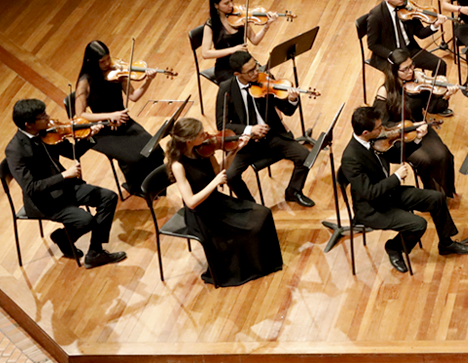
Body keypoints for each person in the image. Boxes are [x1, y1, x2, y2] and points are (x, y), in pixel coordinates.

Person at [343, 107, 468, 273]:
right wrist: (396, 178)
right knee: (418, 224)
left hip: (389, 193)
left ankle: (446, 243)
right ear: (365, 132)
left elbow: (397, 155)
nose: (382, 129)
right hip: (372, 207)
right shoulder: (351, 158)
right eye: (378, 128)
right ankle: (393, 247)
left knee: (436, 198)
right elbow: (369, 192)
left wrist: (417, 139)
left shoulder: (375, 140)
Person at [5, 99, 125, 268]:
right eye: (43, 116)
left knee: (108, 197)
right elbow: (31, 188)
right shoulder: (15, 151)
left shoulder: (47, 133)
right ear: (29, 124)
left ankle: (95, 252)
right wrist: (64, 175)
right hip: (44, 200)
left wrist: (90, 136)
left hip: (65, 187)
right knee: (86, 220)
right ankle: (63, 237)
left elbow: (71, 152)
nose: (49, 117)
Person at [162, 118, 282, 286]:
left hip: (217, 201)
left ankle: (265, 262)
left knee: (263, 213)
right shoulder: (178, 165)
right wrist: (214, 183)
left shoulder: (204, 150)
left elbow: (219, 171)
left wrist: (235, 150)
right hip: (202, 214)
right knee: (252, 227)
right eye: (201, 133)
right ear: (189, 140)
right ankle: (250, 267)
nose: (206, 135)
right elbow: (191, 202)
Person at [214, 50, 314, 207]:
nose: (256, 72)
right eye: (250, 71)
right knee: (231, 175)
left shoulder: (266, 79)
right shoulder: (226, 89)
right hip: (245, 143)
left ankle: (293, 191)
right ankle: (251, 206)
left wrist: (292, 99)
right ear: (237, 74)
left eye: (256, 67)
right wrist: (249, 129)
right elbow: (222, 125)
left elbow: (287, 110)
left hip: (272, 136)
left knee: (305, 156)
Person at [72, 40, 166, 196]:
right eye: (102, 61)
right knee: (134, 159)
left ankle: (158, 186)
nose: (108, 63)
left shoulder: (118, 71)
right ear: (92, 62)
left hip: (123, 122)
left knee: (154, 149)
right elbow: (80, 114)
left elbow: (133, 96)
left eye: (108, 58)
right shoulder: (85, 82)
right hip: (102, 130)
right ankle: (138, 188)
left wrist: (148, 80)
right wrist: (111, 115)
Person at [374, 49, 458, 197]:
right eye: (405, 69)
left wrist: (445, 96)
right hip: (398, 138)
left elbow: (432, 108)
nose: (411, 71)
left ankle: (446, 192)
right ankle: (433, 196)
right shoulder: (385, 92)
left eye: (412, 66)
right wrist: (405, 128)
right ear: (394, 71)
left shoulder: (418, 83)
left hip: (420, 126)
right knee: (424, 160)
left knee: (444, 155)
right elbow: (383, 125)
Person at [366, 0, 448, 76]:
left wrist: (435, 25)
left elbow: (420, 33)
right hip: (389, 56)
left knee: (440, 64)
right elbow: (372, 44)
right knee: (404, 78)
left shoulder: (408, 7)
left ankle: (434, 92)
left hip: (409, 50)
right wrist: (391, 55)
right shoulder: (376, 15)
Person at [200, 0, 269, 83]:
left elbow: (255, 40)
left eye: (232, 0)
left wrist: (266, 27)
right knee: (241, 87)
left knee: (267, 81)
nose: (231, 5)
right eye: (226, 3)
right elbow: (206, 53)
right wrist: (233, 50)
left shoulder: (240, 16)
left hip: (246, 64)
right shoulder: (211, 25)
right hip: (226, 68)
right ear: (216, 5)